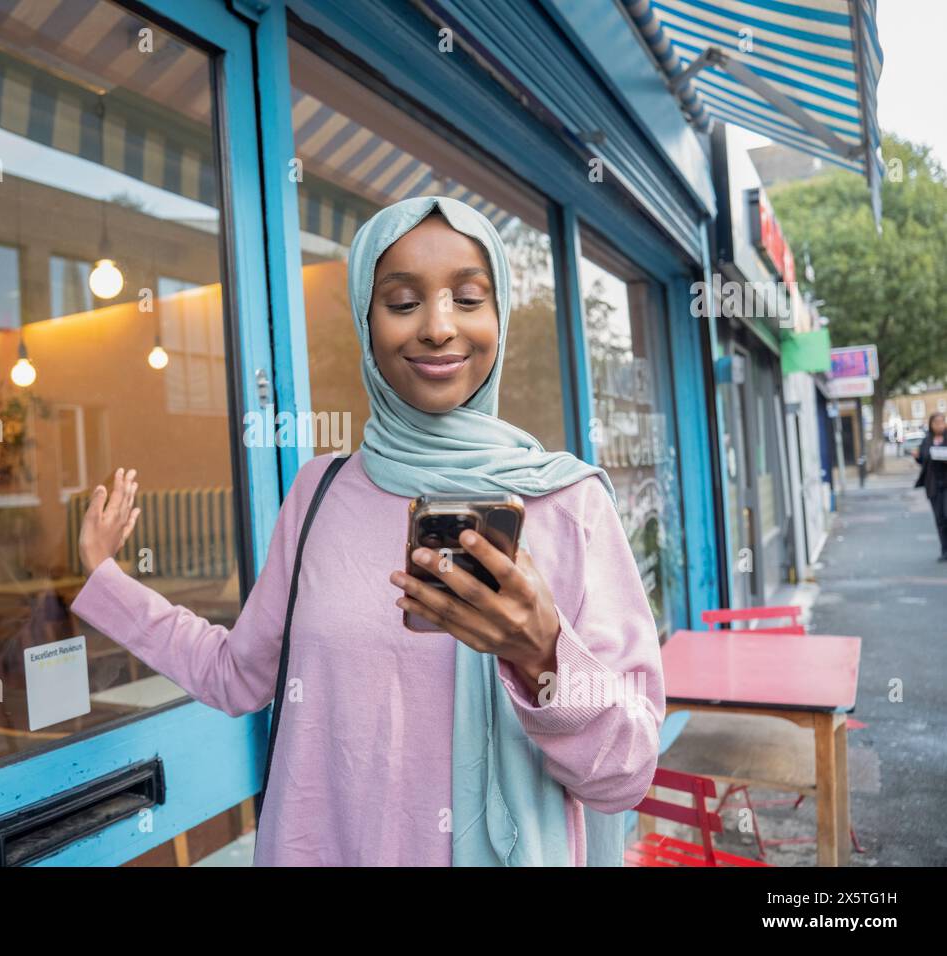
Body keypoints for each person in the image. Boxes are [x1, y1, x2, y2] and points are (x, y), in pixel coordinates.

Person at [71, 196, 664, 866]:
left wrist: (542, 654)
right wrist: (107, 582)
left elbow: (626, 771)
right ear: (366, 318)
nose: (439, 327)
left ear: (498, 318)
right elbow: (236, 674)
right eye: (403, 301)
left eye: (468, 298)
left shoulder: (566, 501)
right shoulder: (319, 494)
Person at [912, 411, 947, 560]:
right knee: (939, 519)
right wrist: (917, 457)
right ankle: (944, 550)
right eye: (936, 422)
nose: (939, 425)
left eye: (942, 422)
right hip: (933, 484)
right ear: (931, 425)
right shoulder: (926, 440)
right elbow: (923, 460)